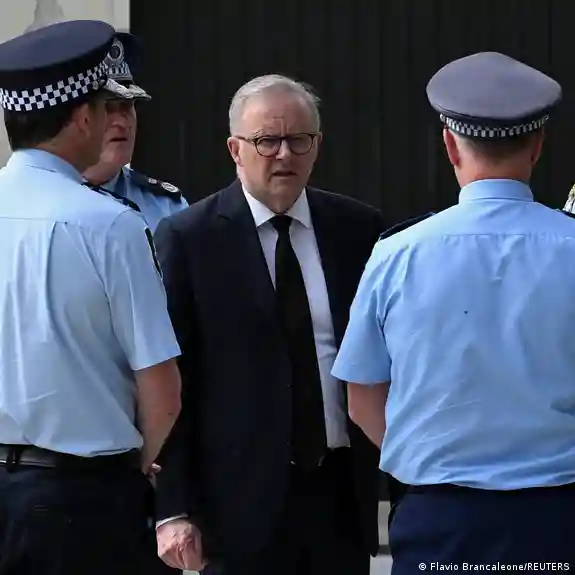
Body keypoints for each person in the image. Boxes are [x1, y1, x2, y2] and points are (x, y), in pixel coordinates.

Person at [331, 51, 575, 572]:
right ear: (538, 144)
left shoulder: (397, 254)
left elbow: (362, 398)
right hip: (558, 514)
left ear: (448, 144)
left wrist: (427, 459)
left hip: (440, 519)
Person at [153, 74, 385, 574]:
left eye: (299, 140)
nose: (284, 154)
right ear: (235, 149)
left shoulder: (358, 230)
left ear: (317, 145)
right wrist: (172, 508)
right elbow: (173, 378)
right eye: (266, 141)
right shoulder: (190, 239)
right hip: (236, 506)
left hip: (338, 496)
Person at [0, 20, 182, 575]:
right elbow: (161, 388)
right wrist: (139, 471)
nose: (112, 122)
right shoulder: (112, 224)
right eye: (106, 108)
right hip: (83, 497)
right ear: (83, 118)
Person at [83, 32, 188, 232]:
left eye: (127, 106)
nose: (122, 122)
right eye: (107, 108)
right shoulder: (33, 201)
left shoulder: (166, 207)